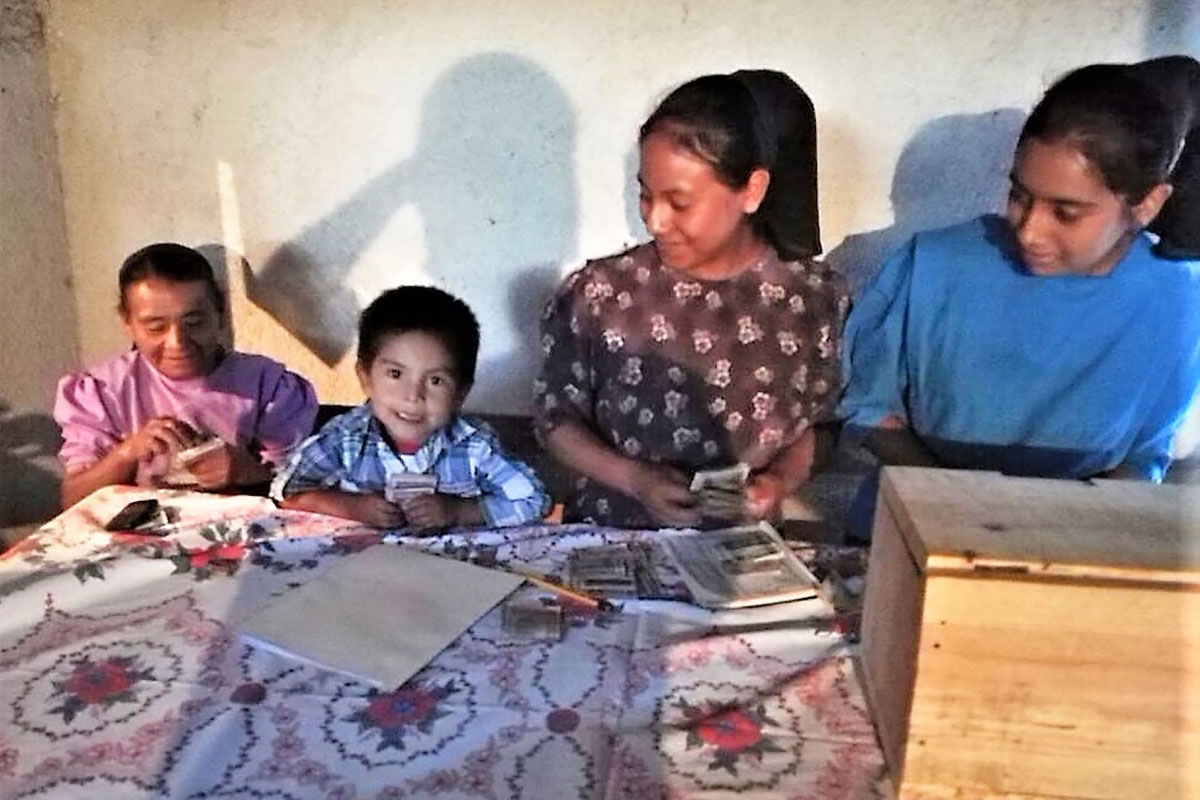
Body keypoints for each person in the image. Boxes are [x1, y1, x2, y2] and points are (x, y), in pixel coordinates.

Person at [839, 58, 1200, 506]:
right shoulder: (934, 263)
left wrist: (1046, 535)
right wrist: (957, 502)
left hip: (1073, 532)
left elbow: (1144, 456)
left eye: (1065, 213)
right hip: (915, 510)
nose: (1029, 231)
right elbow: (870, 408)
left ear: (1146, 204)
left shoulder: (1177, 299)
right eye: (1019, 196)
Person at [534, 70, 846, 529]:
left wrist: (777, 482)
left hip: (740, 563)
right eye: (645, 194)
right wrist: (634, 479)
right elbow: (554, 420)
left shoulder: (812, 302)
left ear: (752, 191)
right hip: (609, 541)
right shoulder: (601, 294)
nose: (656, 221)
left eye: (679, 203)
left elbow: (826, 423)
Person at [54, 243, 318, 507]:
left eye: (194, 323)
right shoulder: (102, 391)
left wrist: (245, 470)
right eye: (156, 327)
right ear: (128, 323)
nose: (178, 343)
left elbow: (304, 494)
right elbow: (73, 499)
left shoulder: (268, 386)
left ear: (220, 312)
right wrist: (127, 454)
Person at [272, 286, 550, 531]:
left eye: (435, 380)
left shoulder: (475, 446)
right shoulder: (345, 439)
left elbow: (534, 501)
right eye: (395, 374)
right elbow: (288, 492)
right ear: (366, 378)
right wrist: (352, 507)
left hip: (453, 573)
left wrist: (458, 511)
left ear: (461, 394)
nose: (413, 396)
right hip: (361, 571)